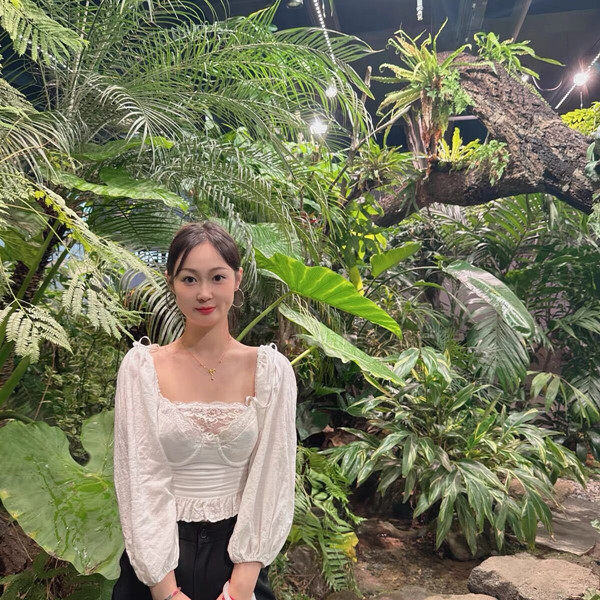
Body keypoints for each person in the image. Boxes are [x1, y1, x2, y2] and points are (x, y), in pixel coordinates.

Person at [111, 221, 298, 600]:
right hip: (158, 562)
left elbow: (273, 476)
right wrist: (166, 591)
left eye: (217, 277)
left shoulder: (272, 372)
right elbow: (139, 479)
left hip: (237, 559)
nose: (204, 293)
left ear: (237, 279)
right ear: (171, 282)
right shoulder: (141, 369)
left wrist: (239, 588)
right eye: (189, 279)